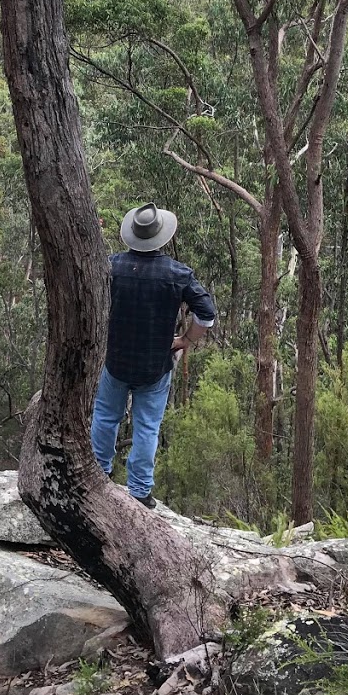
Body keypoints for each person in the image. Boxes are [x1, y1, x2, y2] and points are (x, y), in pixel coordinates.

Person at [91, 202, 216, 508]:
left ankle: (97, 475)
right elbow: (207, 314)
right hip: (155, 364)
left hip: (116, 359)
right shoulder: (178, 274)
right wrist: (185, 340)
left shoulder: (111, 267)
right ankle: (140, 490)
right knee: (147, 426)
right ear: (162, 236)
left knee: (106, 417)